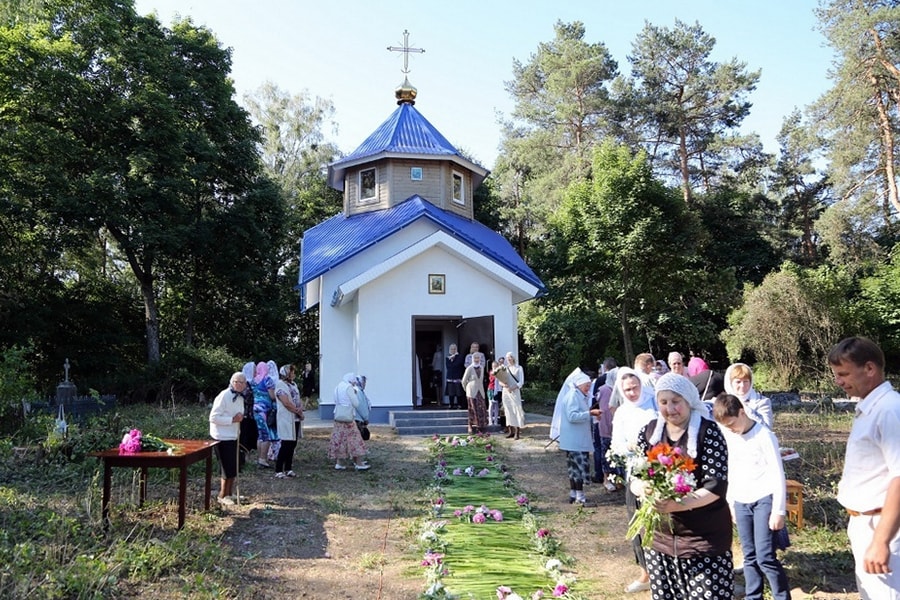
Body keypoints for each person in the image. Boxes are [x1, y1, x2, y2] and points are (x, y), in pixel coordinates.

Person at [632, 372, 733, 599]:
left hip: (703, 541)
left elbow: (715, 486)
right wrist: (643, 489)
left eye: (676, 401)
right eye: (664, 402)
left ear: (688, 401)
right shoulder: (649, 433)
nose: (670, 408)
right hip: (660, 542)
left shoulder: (708, 433)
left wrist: (676, 505)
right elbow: (635, 475)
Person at [829, 337, 900, 598]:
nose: (839, 381)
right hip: (864, 522)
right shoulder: (869, 406)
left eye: (844, 374)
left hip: (883, 526)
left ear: (869, 369)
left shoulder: (890, 409)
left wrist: (881, 540)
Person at [713, 393, 790, 600]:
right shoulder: (730, 436)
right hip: (741, 502)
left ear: (742, 412)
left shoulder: (764, 435)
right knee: (749, 556)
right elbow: (732, 471)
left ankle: (781, 596)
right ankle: (753, 595)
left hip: (764, 500)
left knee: (765, 556)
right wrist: (730, 504)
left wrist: (779, 510)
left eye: (732, 424)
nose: (731, 429)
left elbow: (777, 473)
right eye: (726, 427)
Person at [610, 367, 659, 593]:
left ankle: (664, 570)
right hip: (635, 473)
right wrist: (629, 448)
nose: (631, 392)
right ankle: (645, 572)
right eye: (627, 389)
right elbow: (616, 445)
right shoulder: (621, 413)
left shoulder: (655, 403)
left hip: (659, 471)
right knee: (636, 523)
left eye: (635, 387)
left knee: (660, 524)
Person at [553, 369, 600, 506]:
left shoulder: (577, 395)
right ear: (579, 384)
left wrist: (589, 412)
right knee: (579, 468)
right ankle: (580, 496)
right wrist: (590, 413)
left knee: (573, 468)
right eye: (587, 384)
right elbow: (572, 416)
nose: (589, 387)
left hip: (574, 439)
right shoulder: (574, 395)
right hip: (576, 440)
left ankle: (574, 494)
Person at [209, 372, 247, 506]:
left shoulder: (240, 397)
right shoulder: (224, 396)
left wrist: (239, 418)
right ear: (232, 382)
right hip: (222, 436)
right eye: (238, 382)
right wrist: (232, 419)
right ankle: (222, 495)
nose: (241, 385)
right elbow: (213, 417)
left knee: (233, 466)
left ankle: (230, 494)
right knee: (226, 467)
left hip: (233, 435)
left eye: (243, 383)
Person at [329, 373, 370, 471]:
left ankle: (339, 463)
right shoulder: (348, 388)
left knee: (340, 440)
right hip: (348, 417)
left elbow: (335, 400)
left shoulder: (338, 387)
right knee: (355, 439)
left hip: (338, 416)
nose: (354, 383)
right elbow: (356, 403)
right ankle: (359, 463)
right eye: (353, 381)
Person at [273, 364, 304, 479]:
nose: (294, 374)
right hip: (286, 417)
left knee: (293, 444)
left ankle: (288, 468)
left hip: (295, 418)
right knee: (286, 443)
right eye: (291, 372)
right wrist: (297, 411)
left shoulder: (294, 384)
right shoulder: (280, 385)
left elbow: (297, 398)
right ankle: (278, 469)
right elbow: (286, 402)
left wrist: (300, 409)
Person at [723, 362, 774, 429]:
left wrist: (746, 409)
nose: (742, 385)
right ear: (730, 383)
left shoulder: (762, 402)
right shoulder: (723, 403)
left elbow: (767, 428)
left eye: (746, 381)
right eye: (738, 382)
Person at [591, 367, 618, 491]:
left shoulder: (621, 389)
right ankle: (606, 478)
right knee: (605, 452)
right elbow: (594, 403)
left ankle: (618, 479)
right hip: (605, 424)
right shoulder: (603, 389)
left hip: (618, 426)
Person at [252, 361, 278, 468]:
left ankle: (260, 458)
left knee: (260, 435)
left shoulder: (254, 380)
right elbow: (272, 396)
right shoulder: (267, 379)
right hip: (264, 411)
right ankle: (263, 459)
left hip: (255, 409)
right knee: (266, 435)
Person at [500, 352, 526, 439]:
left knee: (516, 410)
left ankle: (517, 432)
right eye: (507, 357)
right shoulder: (504, 368)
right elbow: (499, 380)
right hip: (506, 392)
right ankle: (510, 431)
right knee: (507, 410)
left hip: (515, 391)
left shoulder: (519, 368)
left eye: (510, 357)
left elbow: (521, 382)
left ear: (513, 358)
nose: (509, 359)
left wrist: (513, 388)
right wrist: (504, 385)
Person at [461, 353, 488, 433]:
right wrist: (467, 389)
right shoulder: (469, 368)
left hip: (480, 390)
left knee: (481, 408)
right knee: (472, 408)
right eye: (475, 358)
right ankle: (470, 425)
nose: (477, 359)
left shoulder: (482, 367)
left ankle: (480, 426)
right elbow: (463, 381)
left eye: (478, 358)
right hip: (471, 391)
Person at [445, 344, 465, 409]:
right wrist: (452, 361)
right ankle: (451, 404)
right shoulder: (447, 358)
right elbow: (448, 366)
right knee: (451, 392)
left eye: (454, 349)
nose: (453, 350)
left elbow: (458, 364)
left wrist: (453, 361)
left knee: (459, 391)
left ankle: (459, 404)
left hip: (458, 376)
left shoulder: (460, 357)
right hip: (450, 376)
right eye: (451, 349)